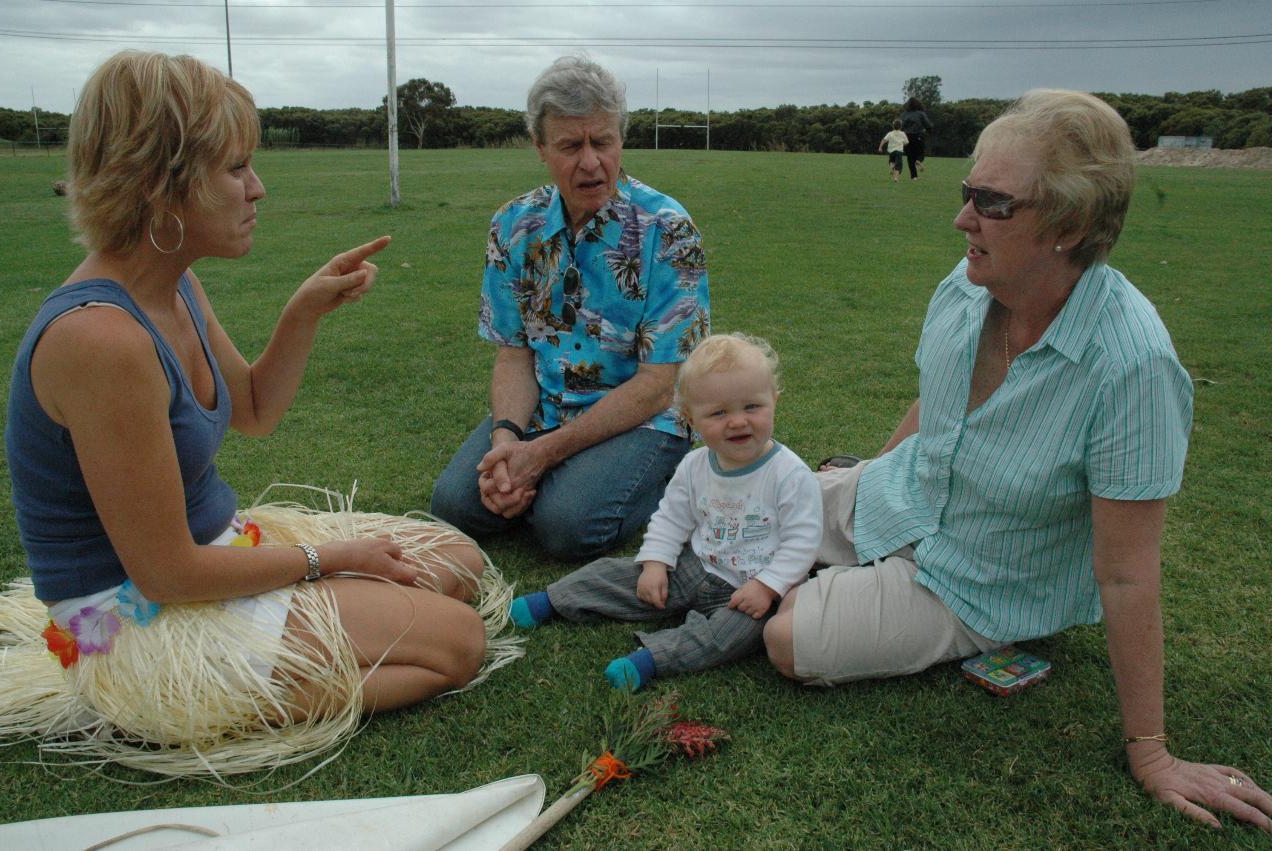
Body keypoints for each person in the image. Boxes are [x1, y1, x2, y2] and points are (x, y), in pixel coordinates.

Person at [0, 51, 518, 779]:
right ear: (160, 184)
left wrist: (303, 311)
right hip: (138, 619)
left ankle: (252, 676)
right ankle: (166, 704)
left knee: (455, 561)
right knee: (456, 642)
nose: (258, 188)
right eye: (236, 168)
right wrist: (328, 560)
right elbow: (167, 574)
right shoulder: (99, 339)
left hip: (217, 553)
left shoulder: (175, 288)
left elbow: (256, 410)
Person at [764, 89, 1272, 831]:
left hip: (981, 580)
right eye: (968, 191)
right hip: (907, 493)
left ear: (1068, 224)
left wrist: (1153, 753)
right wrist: (860, 487)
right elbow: (931, 406)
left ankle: (877, 589)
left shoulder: (1131, 365)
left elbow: (1128, 572)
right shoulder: (969, 282)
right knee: (756, 517)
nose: (962, 217)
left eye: (992, 202)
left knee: (786, 634)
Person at [430, 55, 710, 563]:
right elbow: (514, 355)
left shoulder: (668, 230)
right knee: (455, 505)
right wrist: (506, 443)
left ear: (620, 139)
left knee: (567, 527)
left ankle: (669, 479)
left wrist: (540, 458)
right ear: (539, 147)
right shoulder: (513, 225)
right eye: (570, 145)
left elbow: (659, 384)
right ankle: (555, 479)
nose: (591, 162)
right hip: (547, 406)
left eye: (602, 142)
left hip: (646, 417)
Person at [508, 334, 822, 692]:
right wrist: (656, 562)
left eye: (752, 407)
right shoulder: (694, 466)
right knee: (626, 573)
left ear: (774, 401)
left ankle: (651, 659)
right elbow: (671, 518)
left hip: (753, 590)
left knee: (728, 635)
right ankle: (553, 600)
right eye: (719, 412)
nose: (737, 422)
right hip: (697, 565)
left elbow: (803, 542)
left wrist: (767, 586)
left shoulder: (790, 474)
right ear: (691, 418)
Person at [899, 97, 934, 180]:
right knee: (921, 152)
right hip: (918, 136)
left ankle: (914, 177)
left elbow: (900, 127)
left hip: (906, 137)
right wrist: (929, 131)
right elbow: (928, 125)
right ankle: (918, 160)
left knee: (910, 157)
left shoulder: (904, 114)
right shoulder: (920, 114)